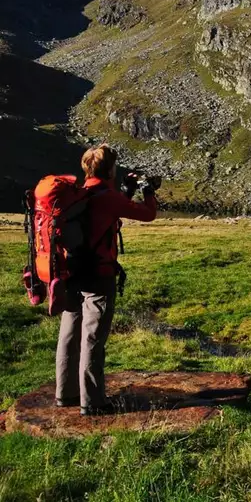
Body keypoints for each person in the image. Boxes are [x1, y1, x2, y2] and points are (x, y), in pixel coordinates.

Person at [55, 144, 159, 416]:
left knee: (70, 330)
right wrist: (148, 191)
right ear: (110, 169)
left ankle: (65, 394)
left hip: (72, 272)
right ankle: (93, 401)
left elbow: (107, 210)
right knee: (93, 337)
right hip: (98, 275)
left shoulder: (80, 193)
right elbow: (147, 214)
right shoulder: (107, 197)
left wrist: (127, 190)